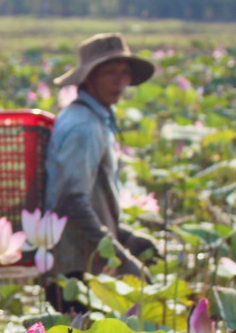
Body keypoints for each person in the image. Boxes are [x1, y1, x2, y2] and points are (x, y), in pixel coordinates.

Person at [44, 33, 159, 311]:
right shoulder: (85, 126)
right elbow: (72, 200)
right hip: (74, 266)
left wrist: (126, 235)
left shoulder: (95, 118)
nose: (119, 81)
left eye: (124, 73)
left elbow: (93, 197)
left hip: (85, 260)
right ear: (88, 78)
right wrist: (120, 258)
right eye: (109, 73)